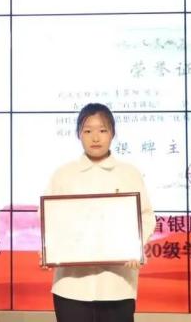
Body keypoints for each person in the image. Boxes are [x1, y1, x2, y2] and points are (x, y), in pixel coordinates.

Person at [43, 103, 155, 322]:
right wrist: (50, 248)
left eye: (102, 130)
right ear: (78, 134)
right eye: (88, 131)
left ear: (112, 133)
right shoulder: (63, 174)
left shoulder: (129, 173)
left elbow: (146, 215)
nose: (95, 138)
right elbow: (49, 217)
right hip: (71, 286)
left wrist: (136, 246)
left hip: (118, 285)